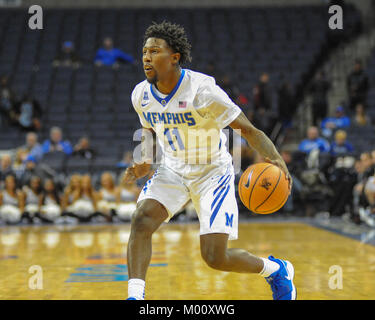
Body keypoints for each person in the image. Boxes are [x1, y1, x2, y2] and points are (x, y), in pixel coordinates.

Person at [123, 21, 295, 301]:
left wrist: (275, 157)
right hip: (173, 168)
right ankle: (135, 297)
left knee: (215, 257)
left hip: (212, 172)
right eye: (144, 51)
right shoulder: (140, 94)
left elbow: (249, 130)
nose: (146, 57)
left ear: (174, 57)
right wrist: (145, 157)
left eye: (154, 51)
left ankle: (275, 270)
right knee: (141, 220)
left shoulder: (202, 91)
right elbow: (148, 129)